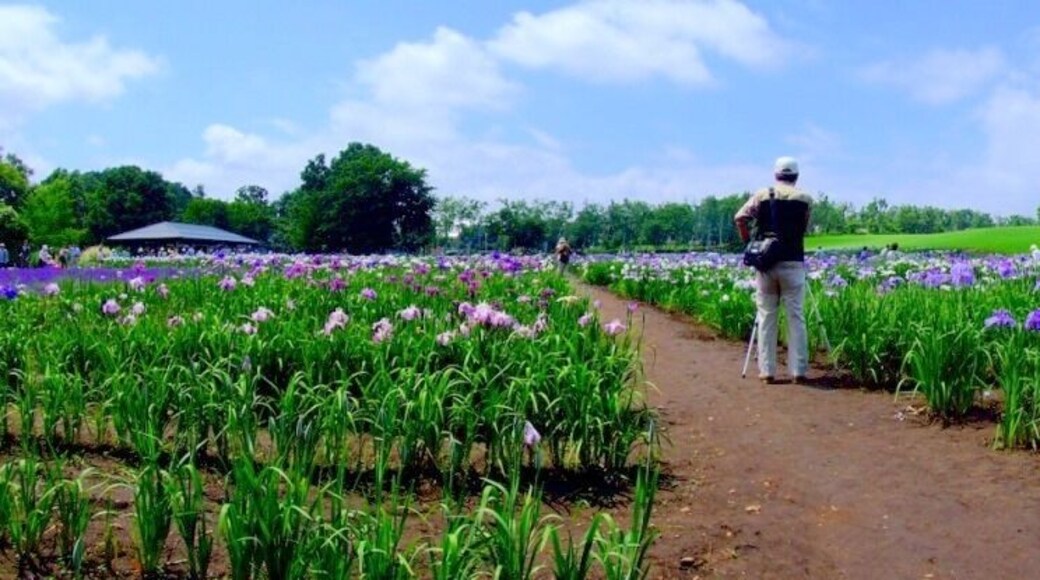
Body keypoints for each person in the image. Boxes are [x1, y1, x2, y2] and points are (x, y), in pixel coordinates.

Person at [734, 156, 814, 384]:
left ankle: (767, 371)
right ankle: (798, 370)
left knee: (766, 316)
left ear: (776, 175)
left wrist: (749, 241)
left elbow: (740, 217)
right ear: (796, 176)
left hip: (767, 264)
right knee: (795, 317)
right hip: (793, 263)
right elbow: (803, 230)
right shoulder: (806, 199)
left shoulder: (762, 195)